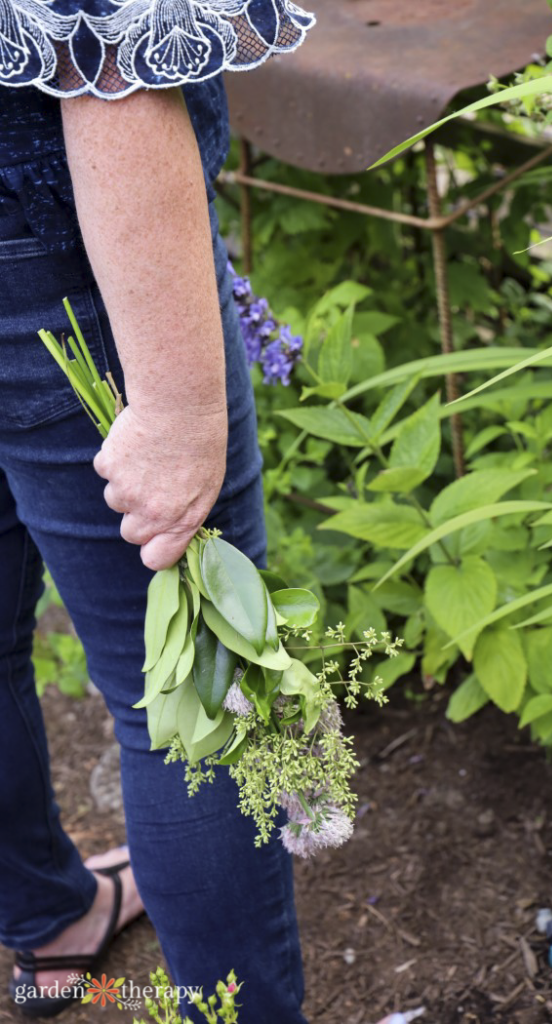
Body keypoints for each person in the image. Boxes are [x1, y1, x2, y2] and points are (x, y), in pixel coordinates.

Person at [0, 1, 315, 1020]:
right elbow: (103, 40)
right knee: (187, 696)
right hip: (50, 241)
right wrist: (178, 403)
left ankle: (49, 915)